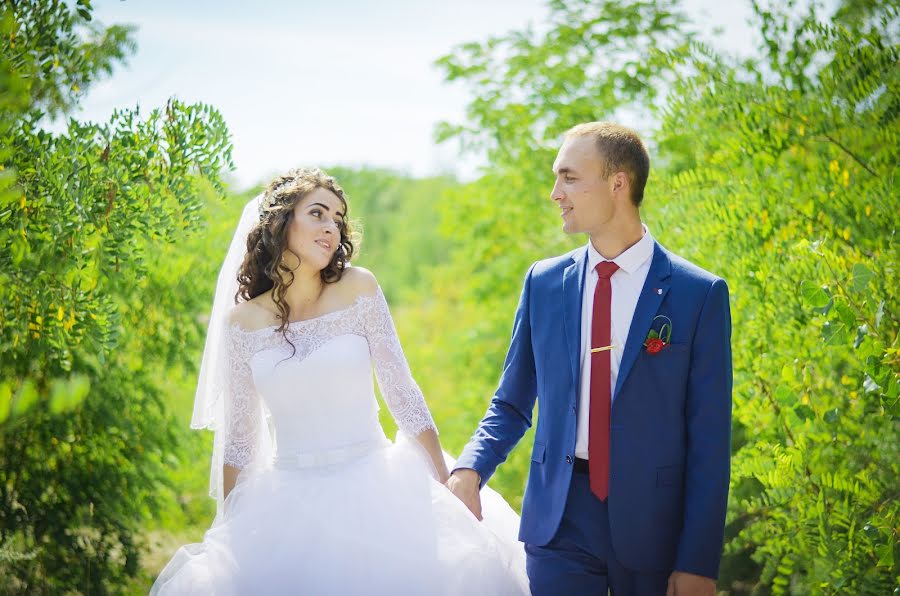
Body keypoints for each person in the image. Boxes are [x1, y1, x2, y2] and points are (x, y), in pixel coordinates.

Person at [151, 168, 528, 595]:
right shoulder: (242, 322)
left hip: (378, 489)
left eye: (337, 218)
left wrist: (445, 483)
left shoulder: (358, 287)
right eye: (317, 214)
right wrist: (232, 531)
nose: (332, 227)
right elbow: (240, 440)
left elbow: (402, 392)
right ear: (280, 222)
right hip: (287, 505)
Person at [447, 122, 732, 595]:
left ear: (618, 183)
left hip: (655, 526)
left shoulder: (697, 294)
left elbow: (709, 439)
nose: (555, 192)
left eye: (569, 177)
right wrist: (471, 466)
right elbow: (513, 401)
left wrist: (699, 560)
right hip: (560, 519)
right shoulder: (543, 282)